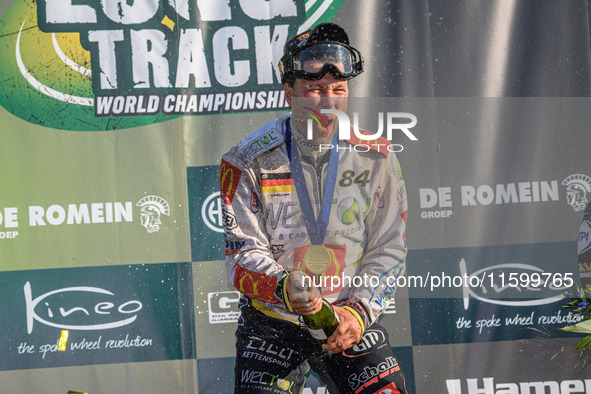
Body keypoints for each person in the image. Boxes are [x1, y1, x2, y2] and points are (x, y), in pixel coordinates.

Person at [220, 22, 408, 394]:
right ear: (289, 91)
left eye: (339, 90)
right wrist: (285, 287)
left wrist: (358, 313)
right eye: (315, 90)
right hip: (274, 320)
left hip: (345, 316)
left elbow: (389, 249)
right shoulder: (244, 160)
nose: (329, 102)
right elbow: (241, 257)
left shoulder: (377, 156)